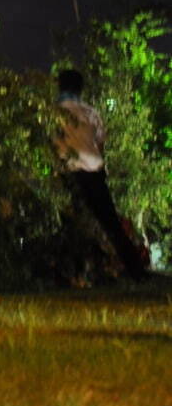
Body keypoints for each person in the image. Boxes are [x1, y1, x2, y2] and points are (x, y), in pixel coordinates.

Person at [55, 67, 148, 280]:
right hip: (94, 171)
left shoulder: (53, 112)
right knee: (111, 223)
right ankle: (136, 270)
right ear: (80, 89)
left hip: (68, 173)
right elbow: (100, 143)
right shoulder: (90, 112)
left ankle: (66, 273)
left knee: (66, 224)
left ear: (60, 86)